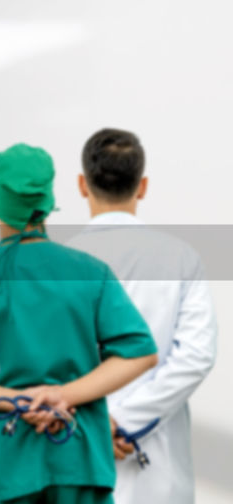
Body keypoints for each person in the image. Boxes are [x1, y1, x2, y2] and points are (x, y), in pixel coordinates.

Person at [0, 143, 159, 504]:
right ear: (49, 200)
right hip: (76, 458)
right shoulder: (89, 273)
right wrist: (62, 395)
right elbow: (140, 354)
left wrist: (18, 401)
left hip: (1, 465)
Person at [64, 128, 217, 504]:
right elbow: (196, 356)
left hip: (78, 456)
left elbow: (47, 365)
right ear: (142, 186)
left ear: (82, 185)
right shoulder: (180, 257)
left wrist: (103, 422)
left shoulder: (59, 264)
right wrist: (128, 422)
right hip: (157, 469)